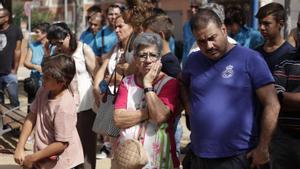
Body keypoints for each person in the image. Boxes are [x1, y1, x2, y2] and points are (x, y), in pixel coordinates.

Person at [181, 9, 280, 169]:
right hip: (199, 155)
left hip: (237, 157)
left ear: (224, 30)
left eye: (212, 38)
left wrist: (263, 148)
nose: (208, 46)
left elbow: (272, 104)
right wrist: (189, 108)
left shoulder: (250, 59)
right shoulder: (193, 60)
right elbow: (182, 83)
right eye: (201, 41)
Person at [112, 32, 180, 168]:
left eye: (153, 55)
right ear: (136, 59)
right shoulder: (127, 82)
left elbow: (160, 117)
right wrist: (148, 113)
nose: (148, 60)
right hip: (129, 159)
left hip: (159, 159)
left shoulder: (170, 83)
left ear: (159, 59)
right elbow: (118, 119)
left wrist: (148, 84)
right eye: (143, 55)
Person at [14, 54, 84, 169]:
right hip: (43, 157)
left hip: (63, 163)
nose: (42, 80)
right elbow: (31, 117)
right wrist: (20, 146)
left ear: (61, 82)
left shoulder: (64, 106)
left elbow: (61, 144)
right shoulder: (43, 90)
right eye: (43, 76)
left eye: (47, 78)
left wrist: (32, 158)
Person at [47, 22, 98, 169]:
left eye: (59, 42)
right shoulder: (57, 54)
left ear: (68, 36)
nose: (57, 45)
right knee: (67, 144)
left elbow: (95, 74)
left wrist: (99, 98)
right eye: (53, 43)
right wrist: (47, 54)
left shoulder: (83, 49)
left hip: (85, 104)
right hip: (65, 105)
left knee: (86, 144)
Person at [93, 14, 134, 159]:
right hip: (110, 97)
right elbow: (103, 67)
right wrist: (97, 88)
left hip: (126, 103)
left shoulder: (135, 50)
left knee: (125, 150)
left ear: (132, 27)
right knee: (114, 144)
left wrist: (118, 79)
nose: (116, 30)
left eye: (120, 26)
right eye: (115, 27)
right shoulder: (116, 47)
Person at [255, 2, 295, 73]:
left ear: (280, 24)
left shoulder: (290, 54)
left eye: (267, 23)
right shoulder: (256, 53)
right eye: (260, 23)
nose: (262, 27)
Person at [0, 8, 23, 108]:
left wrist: (15, 69)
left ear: (6, 18)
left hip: (9, 72)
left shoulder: (15, 30)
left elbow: (18, 50)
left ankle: (14, 123)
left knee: (14, 101)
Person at [23, 22, 50, 107]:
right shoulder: (33, 46)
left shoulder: (53, 46)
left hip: (48, 83)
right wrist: (35, 66)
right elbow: (26, 62)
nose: (35, 34)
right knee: (32, 109)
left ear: (45, 33)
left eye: (37, 32)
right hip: (34, 84)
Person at [182, 1, 200, 67]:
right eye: (191, 7)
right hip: (187, 62)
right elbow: (185, 47)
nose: (193, 10)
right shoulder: (186, 26)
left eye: (196, 7)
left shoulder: (206, 26)